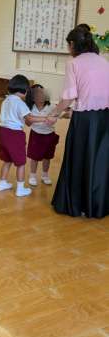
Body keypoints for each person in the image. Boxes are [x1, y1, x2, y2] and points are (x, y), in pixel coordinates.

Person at [49, 27, 109, 218]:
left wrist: (54, 113)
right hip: (105, 117)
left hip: (84, 120)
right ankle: (96, 204)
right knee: (99, 160)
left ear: (73, 44)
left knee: (79, 158)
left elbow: (69, 96)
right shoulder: (103, 61)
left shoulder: (73, 63)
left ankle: (76, 204)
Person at [0, 75, 47, 197]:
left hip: (3, 132)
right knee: (21, 163)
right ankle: (20, 189)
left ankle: (2, 183)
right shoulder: (20, 103)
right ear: (25, 90)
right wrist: (45, 118)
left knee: (7, 159)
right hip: (15, 134)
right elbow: (30, 118)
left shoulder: (6, 100)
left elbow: (25, 120)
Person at [25, 84, 59, 186]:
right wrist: (31, 120)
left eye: (43, 93)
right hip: (36, 135)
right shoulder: (30, 108)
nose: (41, 96)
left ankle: (45, 175)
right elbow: (28, 123)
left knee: (47, 157)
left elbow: (58, 116)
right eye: (38, 94)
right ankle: (32, 176)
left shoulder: (52, 107)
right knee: (34, 157)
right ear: (33, 98)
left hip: (49, 135)